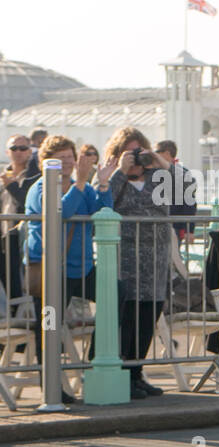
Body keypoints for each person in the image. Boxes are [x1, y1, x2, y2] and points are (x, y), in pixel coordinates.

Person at [105, 127, 175, 399]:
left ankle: (137, 372)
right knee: (128, 316)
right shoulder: (113, 177)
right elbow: (103, 199)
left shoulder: (158, 177)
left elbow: (186, 188)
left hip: (156, 258)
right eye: (129, 152)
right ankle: (123, 373)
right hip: (126, 258)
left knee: (149, 315)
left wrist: (159, 161)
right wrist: (119, 170)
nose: (134, 158)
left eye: (138, 151)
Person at [23, 134, 116, 308]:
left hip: (82, 268)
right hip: (51, 269)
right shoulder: (39, 189)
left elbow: (103, 213)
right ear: (47, 162)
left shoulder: (85, 188)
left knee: (116, 294)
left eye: (69, 157)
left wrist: (103, 184)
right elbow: (60, 212)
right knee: (49, 325)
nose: (66, 162)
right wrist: (80, 181)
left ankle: (101, 336)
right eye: (60, 158)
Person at [2, 134, 40, 300]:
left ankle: (25, 310)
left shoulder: (35, 176)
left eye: (23, 148)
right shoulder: (4, 175)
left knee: (23, 276)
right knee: (7, 273)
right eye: (14, 148)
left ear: (30, 151)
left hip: (22, 234)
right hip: (4, 234)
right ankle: (13, 308)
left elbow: (27, 203)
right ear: (7, 151)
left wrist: (11, 186)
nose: (18, 152)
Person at [154, 140, 199, 240]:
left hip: (175, 226)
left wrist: (189, 230)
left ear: (167, 153)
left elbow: (189, 202)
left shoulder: (182, 174)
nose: (155, 155)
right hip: (158, 225)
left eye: (157, 152)